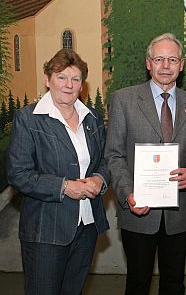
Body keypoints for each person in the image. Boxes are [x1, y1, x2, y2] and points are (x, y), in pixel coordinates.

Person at [105, 33, 186, 295]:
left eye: (172, 59)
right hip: (138, 212)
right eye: (159, 59)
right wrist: (128, 193)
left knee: (174, 284)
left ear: (181, 64)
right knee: (138, 283)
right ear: (148, 63)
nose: (165, 65)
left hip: (177, 214)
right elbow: (114, 155)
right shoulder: (123, 100)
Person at [7, 49, 109, 295]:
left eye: (75, 79)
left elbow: (105, 160)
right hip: (45, 231)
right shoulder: (29, 119)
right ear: (47, 79)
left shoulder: (91, 117)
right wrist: (64, 186)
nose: (69, 84)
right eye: (61, 77)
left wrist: (100, 178)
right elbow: (18, 173)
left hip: (87, 227)